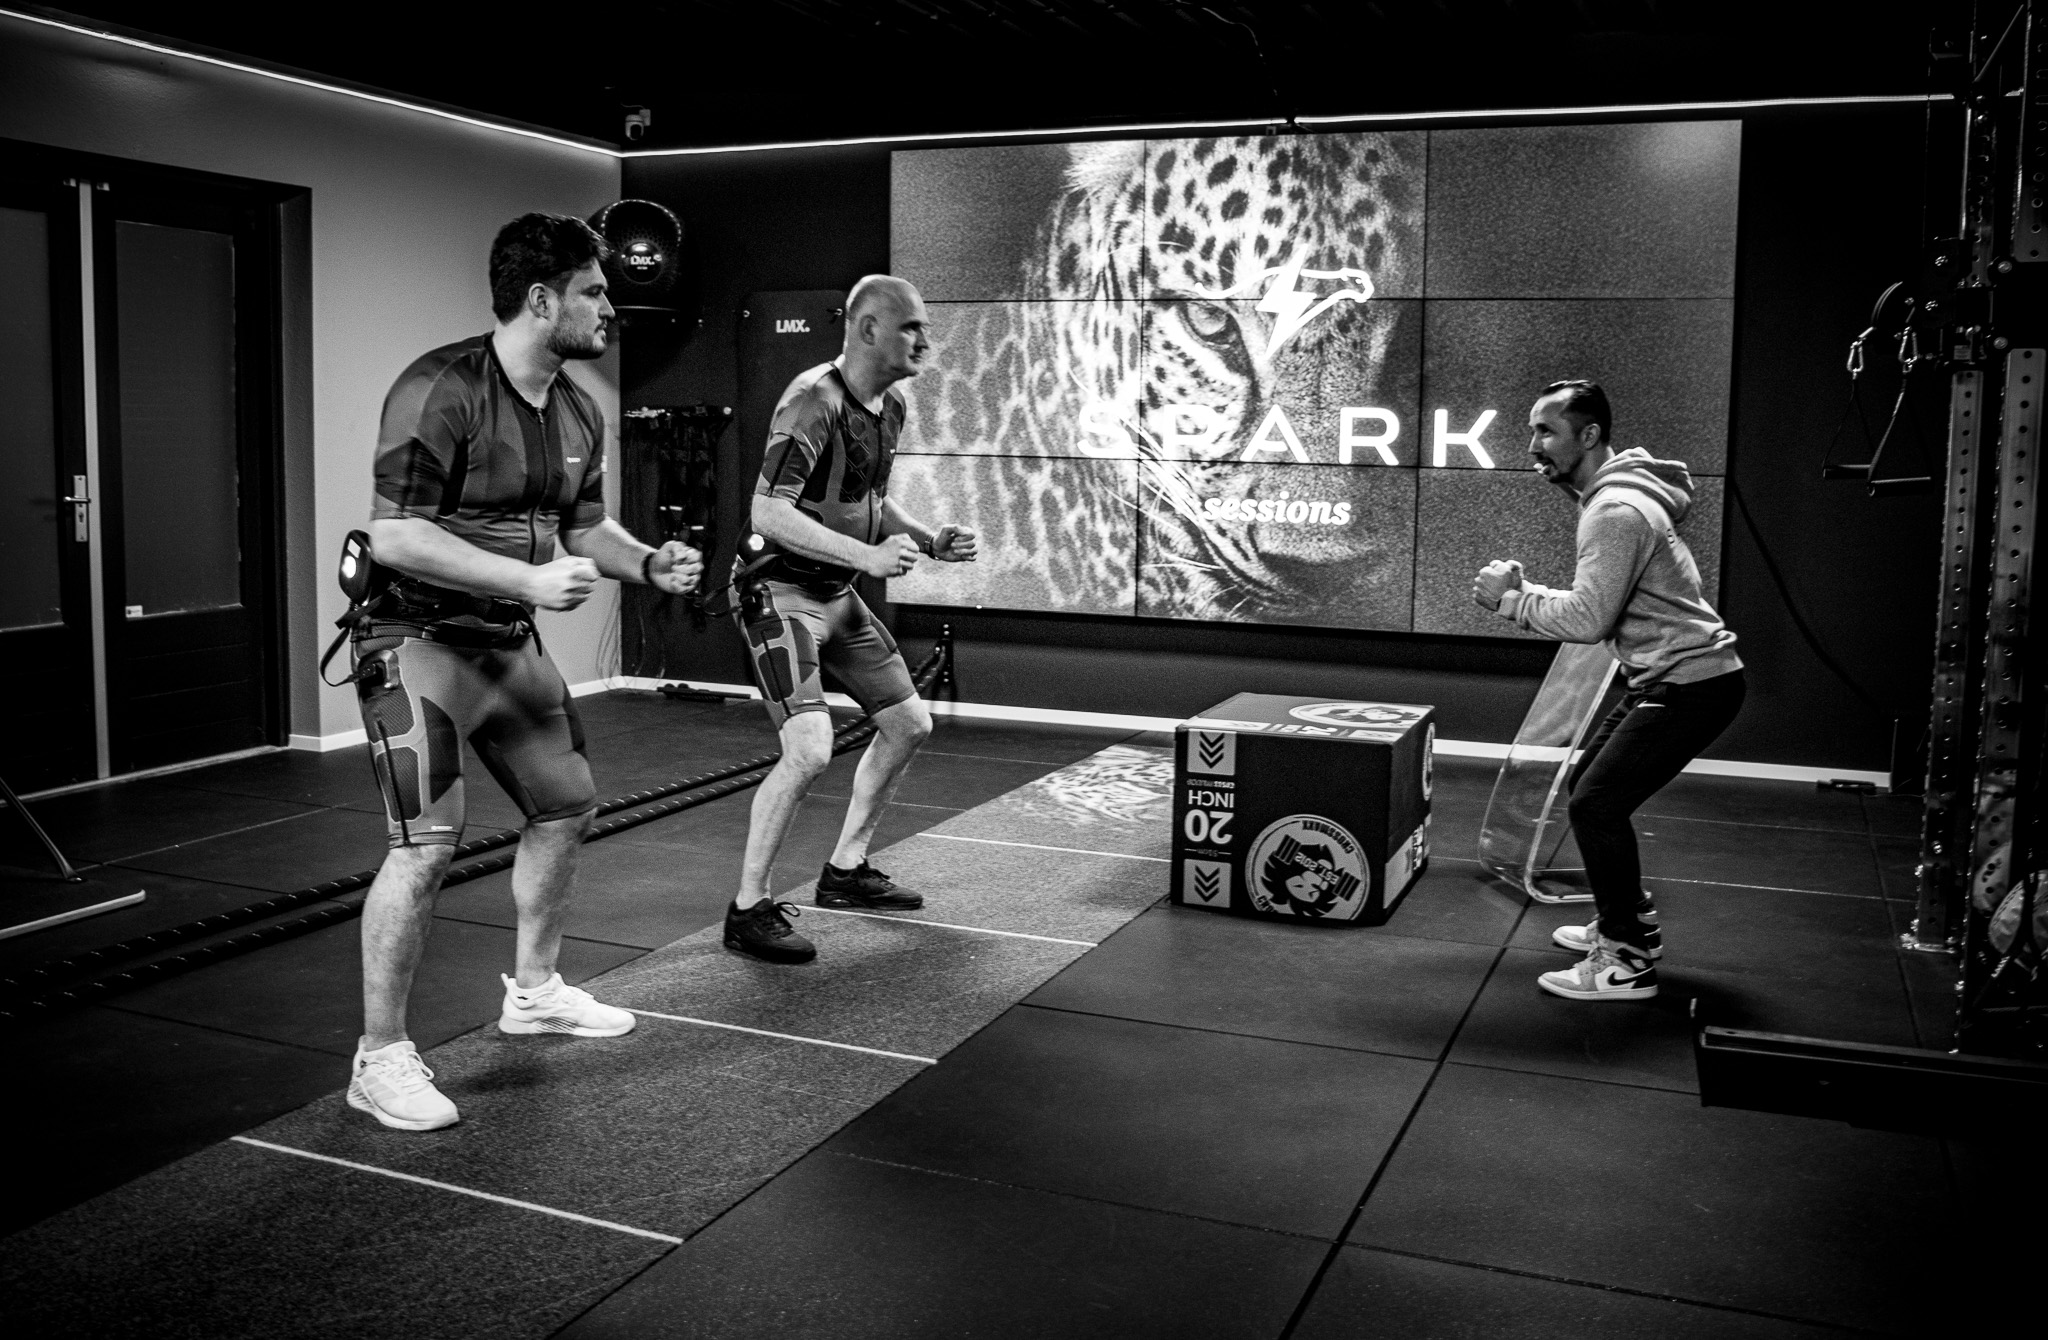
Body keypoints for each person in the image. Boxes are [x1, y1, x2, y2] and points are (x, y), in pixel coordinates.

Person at [346, 214, 703, 1130]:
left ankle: (536, 993)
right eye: (595, 291)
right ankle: (378, 1058)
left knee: (567, 805)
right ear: (543, 300)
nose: (610, 308)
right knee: (424, 847)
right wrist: (529, 580)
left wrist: (645, 563)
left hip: (506, 644)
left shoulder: (577, 407)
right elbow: (396, 535)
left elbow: (584, 527)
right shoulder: (441, 387)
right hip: (416, 641)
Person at [722, 274, 977, 964]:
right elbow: (768, 512)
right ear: (868, 329)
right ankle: (747, 909)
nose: (925, 340)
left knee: (909, 724)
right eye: (912, 327)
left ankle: (845, 871)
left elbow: (867, 498)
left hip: (837, 595)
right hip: (780, 594)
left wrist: (928, 540)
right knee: (808, 749)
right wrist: (869, 557)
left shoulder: (890, 405)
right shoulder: (813, 400)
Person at [1473, 379, 1744, 1003]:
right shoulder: (1617, 498)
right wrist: (1530, 593)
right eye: (1533, 430)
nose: (1533, 445)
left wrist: (1510, 601)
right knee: (1588, 787)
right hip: (1670, 676)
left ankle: (1626, 961)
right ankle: (1629, 920)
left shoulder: (1614, 511)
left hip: (1691, 683)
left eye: (1547, 431)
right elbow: (1602, 605)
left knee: (1596, 804)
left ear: (1589, 435)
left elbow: (1589, 621)